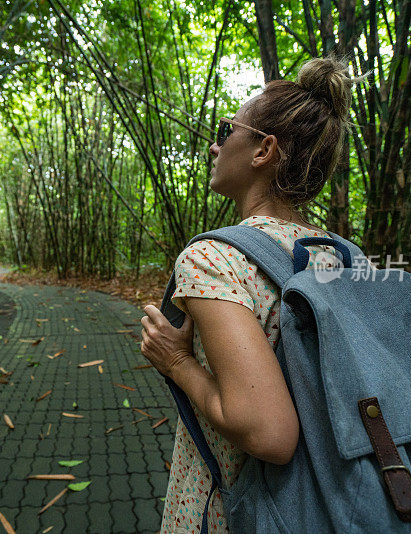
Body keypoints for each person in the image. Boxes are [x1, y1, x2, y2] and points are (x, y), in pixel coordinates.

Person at [139, 56, 362, 533]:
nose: (215, 145)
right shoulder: (346, 256)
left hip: (243, 511)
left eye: (226, 129)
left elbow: (270, 433)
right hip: (340, 500)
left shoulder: (213, 259)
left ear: (264, 150)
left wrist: (177, 364)